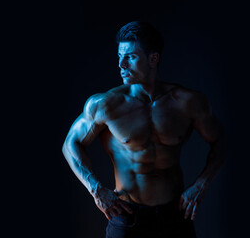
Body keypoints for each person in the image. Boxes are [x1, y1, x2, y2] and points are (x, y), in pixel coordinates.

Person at [62, 21, 227, 238]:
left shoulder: (187, 102)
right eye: (119, 56)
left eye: (130, 56)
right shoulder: (106, 105)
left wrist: (201, 185)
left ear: (153, 59)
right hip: (127, 217)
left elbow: (221, 141)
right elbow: (69, 144)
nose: (121, 64)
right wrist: (96, 189)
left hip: (175, 217)